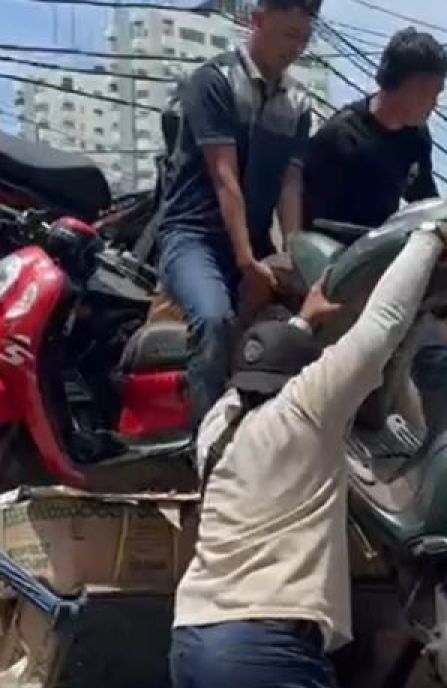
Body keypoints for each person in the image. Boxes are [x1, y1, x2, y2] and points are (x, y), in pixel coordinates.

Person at [169, 223, 447, 688]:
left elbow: (268, 360)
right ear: (298, 375)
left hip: (193, 649)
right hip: (268, 651)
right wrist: (427, 240)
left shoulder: (218, 426)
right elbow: (382, 325)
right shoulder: (305, 411)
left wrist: (303, 321)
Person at [157, 0, 318, 427]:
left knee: (314, 321)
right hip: (193, 238)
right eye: (287, 36)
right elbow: (224, 177)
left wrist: (298, 257)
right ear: (257, 20)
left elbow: (290, 185)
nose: (295, 49)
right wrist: (246, 260)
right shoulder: (213, 82)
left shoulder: (299, 103)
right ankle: (205, 449)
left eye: (303, 39)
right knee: (215, 320)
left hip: (255, 240)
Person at [303, 28, 447, 433]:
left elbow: (425, 202)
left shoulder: (416, 138)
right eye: (433, 90)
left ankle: (439, 454)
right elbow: (311, 228)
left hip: (393, 265)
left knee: (437, 357)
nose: (437, 102)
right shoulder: (339, 138)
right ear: (412, 86)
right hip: (346, 274)